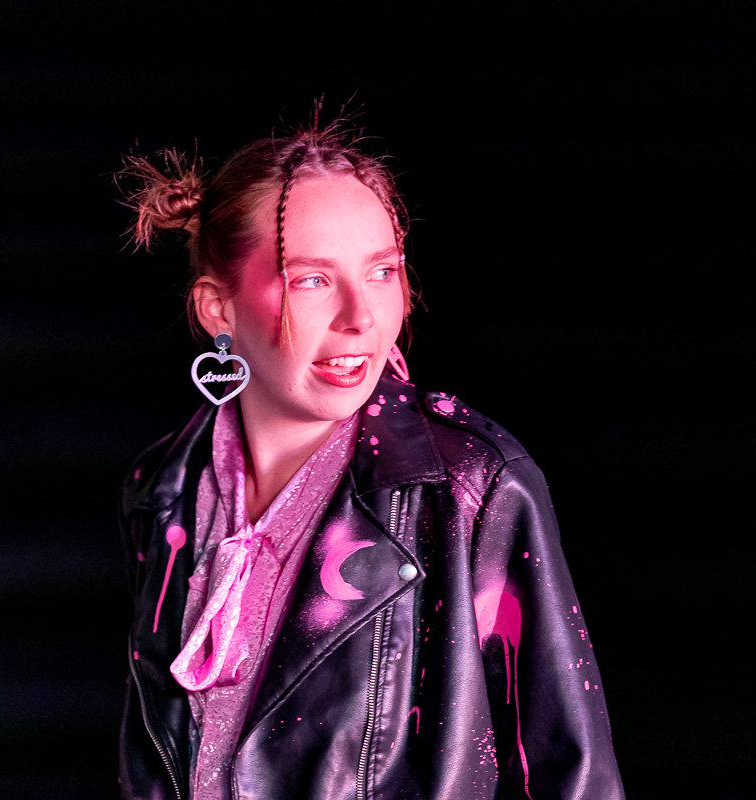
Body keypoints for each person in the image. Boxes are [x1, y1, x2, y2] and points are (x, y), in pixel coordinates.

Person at [116, 110, 624, 800]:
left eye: (383, 271)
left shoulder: (470, 490)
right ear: (218, 310)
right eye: (312, 280)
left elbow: (572, 777)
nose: (362, 317)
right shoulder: (163, 490)